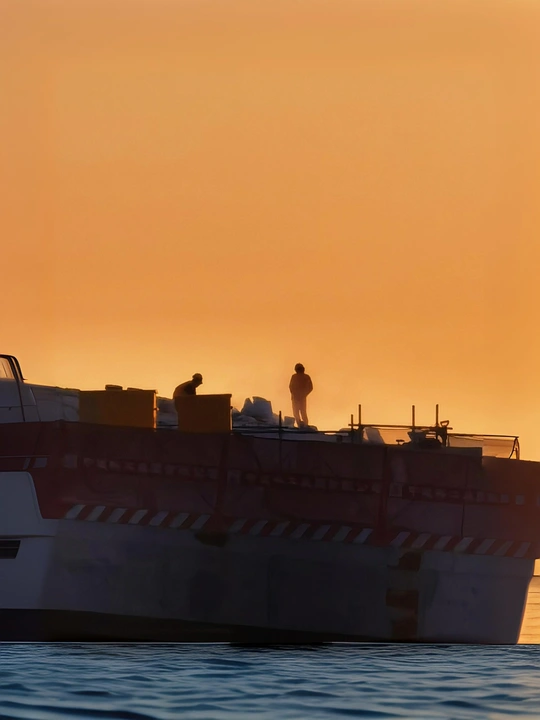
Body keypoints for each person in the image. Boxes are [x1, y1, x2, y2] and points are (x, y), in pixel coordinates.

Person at [289, 363, 313, 428]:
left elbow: (310, 387)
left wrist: (303, 394)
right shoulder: (296, 377)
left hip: (299, 398)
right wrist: (303, 394)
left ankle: (303, 425)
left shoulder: (304, 377)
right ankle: (302, 425)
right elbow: (291, 387)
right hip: (297, 398)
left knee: (299, 413)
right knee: (299, 413)